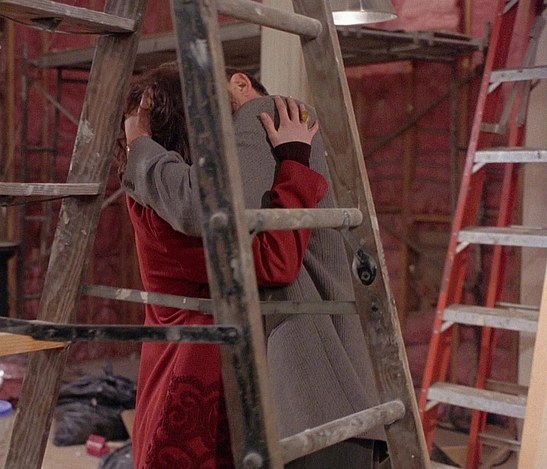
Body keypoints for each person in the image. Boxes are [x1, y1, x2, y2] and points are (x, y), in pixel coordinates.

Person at [123, 63, 387, 468]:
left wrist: (140, 146)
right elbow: (270, 260)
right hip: (200, 383)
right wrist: (294, 165)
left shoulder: (165, 193)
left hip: (214, 380)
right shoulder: (175, 203)